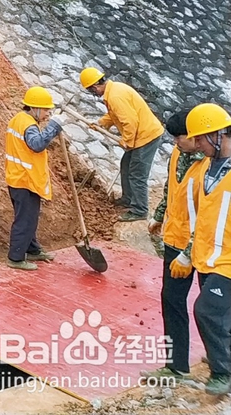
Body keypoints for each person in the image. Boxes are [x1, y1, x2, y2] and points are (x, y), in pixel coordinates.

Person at [141, 109, 209, 381]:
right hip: (175, 239)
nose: (175, 142)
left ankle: (220, 356)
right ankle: (176, 364)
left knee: (211, 306)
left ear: (195, 137)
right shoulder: (178, 155)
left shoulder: (211, 167)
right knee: (172, 300)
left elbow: (208, 213)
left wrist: (189, 252)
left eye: (179, 137)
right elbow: (171, 188)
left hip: (202, 247)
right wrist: (159, 216)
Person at [79, 67, 164, 222]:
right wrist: (100, 123)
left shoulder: (115, 96)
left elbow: (130, 122)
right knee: (126, 165)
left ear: (94, 86)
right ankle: (127, 198)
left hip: (146, 136)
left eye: (91, 91)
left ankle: (140, 210)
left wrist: (127, 141)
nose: (94, 94)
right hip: (140, 135)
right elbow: (114, 114)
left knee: (137, 174)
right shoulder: (114, 91)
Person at [188, 103, 231, 395]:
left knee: (206, 311)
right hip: (207, 256)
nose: (198, 144)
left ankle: (223, 373)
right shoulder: (206, 166)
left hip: (227, 260)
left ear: (217, 135)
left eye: (201, 139)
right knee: (221, 315)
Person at [4, 86, 63, 270]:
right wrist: (54, 126)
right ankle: (15, 258)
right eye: (46, 110)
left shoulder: (19, 120)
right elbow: (37, 145)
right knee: (25, 220)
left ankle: (33, 249)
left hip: (19, 177)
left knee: (30, 217)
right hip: (25, 180)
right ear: (35, 108)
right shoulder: (28, 125)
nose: (47, 113)